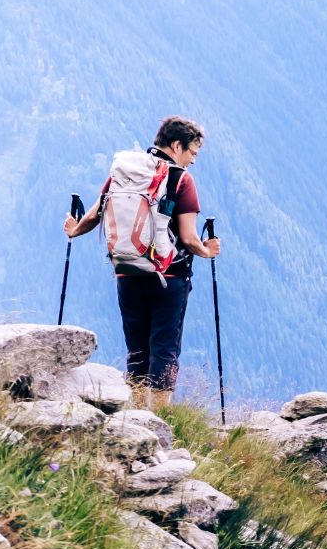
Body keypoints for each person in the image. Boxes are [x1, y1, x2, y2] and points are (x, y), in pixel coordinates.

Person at [62, 116, 221, 410]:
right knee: (164, 348)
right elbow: (187, 238)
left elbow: (96, 214)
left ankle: (136, 415)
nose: (193, 161)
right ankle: (159, 420)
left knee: (136, 348)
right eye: (192, 153)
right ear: (177, 145)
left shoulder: (122, 174)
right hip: (168, 277)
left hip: (127, 272)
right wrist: (208, 251)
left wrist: (74, 231)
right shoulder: (181, 180)